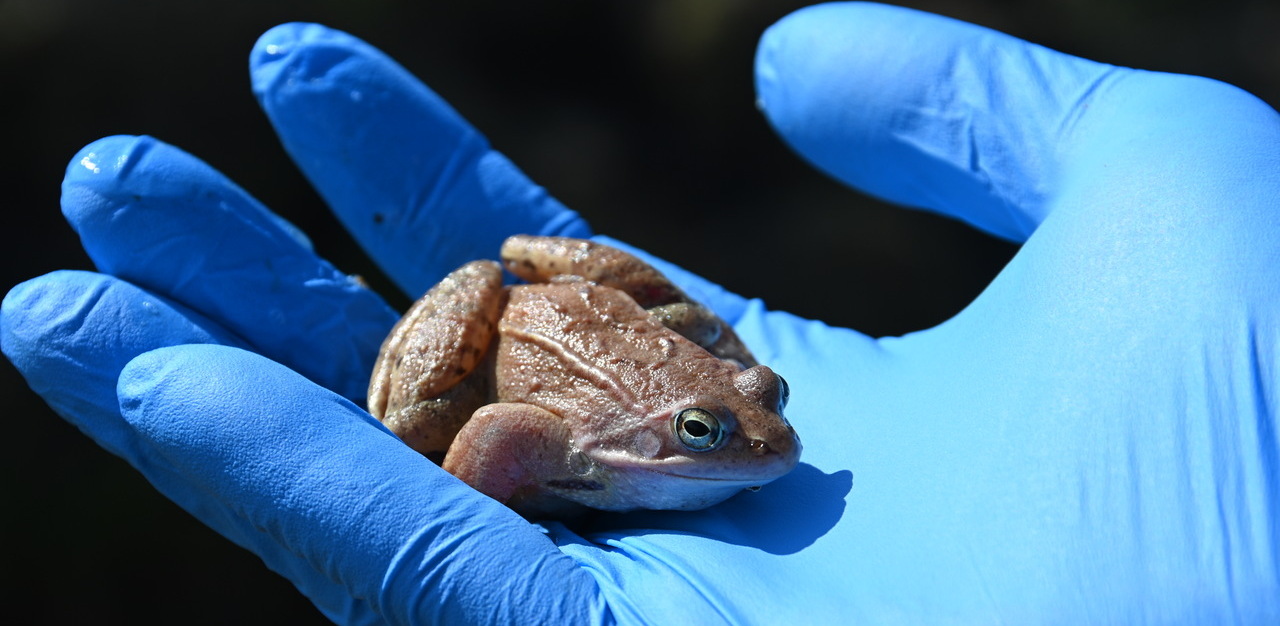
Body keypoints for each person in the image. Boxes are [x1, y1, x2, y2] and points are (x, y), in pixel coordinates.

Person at [4, 2, 1277, 623]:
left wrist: (719, 380)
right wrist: (460, 469)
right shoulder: (571, 443)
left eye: (758, 409)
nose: (766, 439)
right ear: (670, 438)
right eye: (720, 434)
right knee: (411, 389)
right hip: (526, 334)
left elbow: (728, 402)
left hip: (616, 337)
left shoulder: (721, 412)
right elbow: (489, 442)